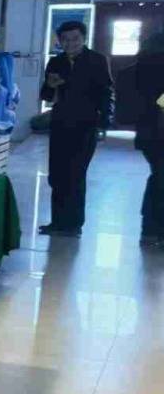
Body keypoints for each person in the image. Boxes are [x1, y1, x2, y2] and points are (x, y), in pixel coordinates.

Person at [39, 19, 114, 236]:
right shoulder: (56, 62)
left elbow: (106, 92)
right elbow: (46, 95)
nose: (70, 43)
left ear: (84, 39)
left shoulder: (97, 60)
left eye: (75, 39)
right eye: (65, 39)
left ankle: (73, 225)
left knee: (76, 174)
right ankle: (57, 222)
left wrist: (104, 121)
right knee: (57, 174)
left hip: (86, 124)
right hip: (60, 123)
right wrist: (50, 85)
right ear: (59, 41)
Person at [134, 31, 164, 247]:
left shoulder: (144, 61)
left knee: (158, 177)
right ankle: (154, 230)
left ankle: (150, 230)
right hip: (158, 131)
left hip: (148, 132)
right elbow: (158, 99)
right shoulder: (155, 63)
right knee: (160, 179)